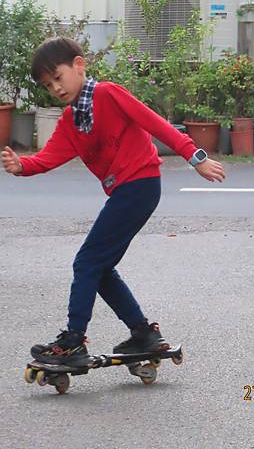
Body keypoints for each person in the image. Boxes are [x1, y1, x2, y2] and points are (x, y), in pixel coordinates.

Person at [1, 37, 225, 365]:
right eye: (49, 86)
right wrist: (22, 166)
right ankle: (143, 333)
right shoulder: (71, 121)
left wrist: (195, 156)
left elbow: (154, 123)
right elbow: (49, 158)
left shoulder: (107, 93)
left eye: (58, 78)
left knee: (86, 262)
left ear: (78, 65)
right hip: (127, 191)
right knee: (100, 267)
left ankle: (73, 341)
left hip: (140, 184)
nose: (57, 88)